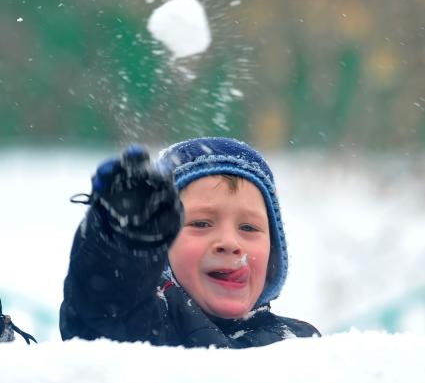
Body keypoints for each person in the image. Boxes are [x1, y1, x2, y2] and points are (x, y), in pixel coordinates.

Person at [60, 137, 320, 347]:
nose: (229, 242)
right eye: (201, 224)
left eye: (248, 227)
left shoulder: (299, 342)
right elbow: (104, 307)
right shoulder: (145, 325)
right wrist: (123, 243)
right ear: (159, 242)